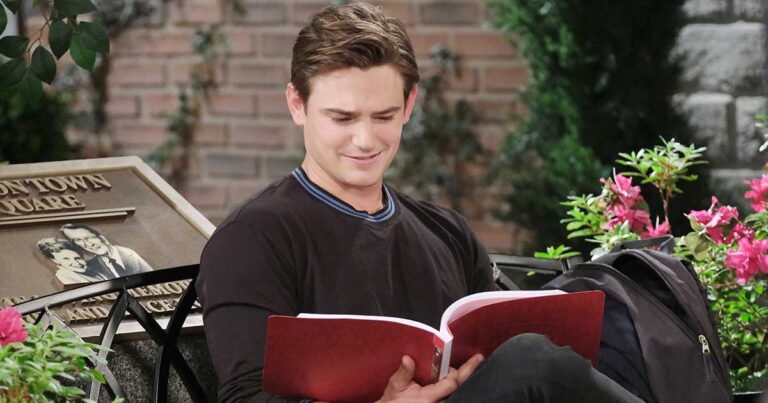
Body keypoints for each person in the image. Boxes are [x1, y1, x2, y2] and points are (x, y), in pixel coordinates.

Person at [197, 3, 643, 403]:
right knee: (533, 361)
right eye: (343, 117)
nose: (365, 139)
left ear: (409, 105)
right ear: (297, 104)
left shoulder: (446, 231)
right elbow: (246, 396)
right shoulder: (251, 240)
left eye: (384, 116)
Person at [60, 223, 153, 277]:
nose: (88, 244)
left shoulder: (129, 254)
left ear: (102, 237)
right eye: (78, 240)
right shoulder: (92, 265)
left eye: (90, 237)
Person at [37, 238, 110, 284]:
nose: (77, 263)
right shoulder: (64, 278)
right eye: (66, 259)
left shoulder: (97, 271)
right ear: (55, 261)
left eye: (78, 258)